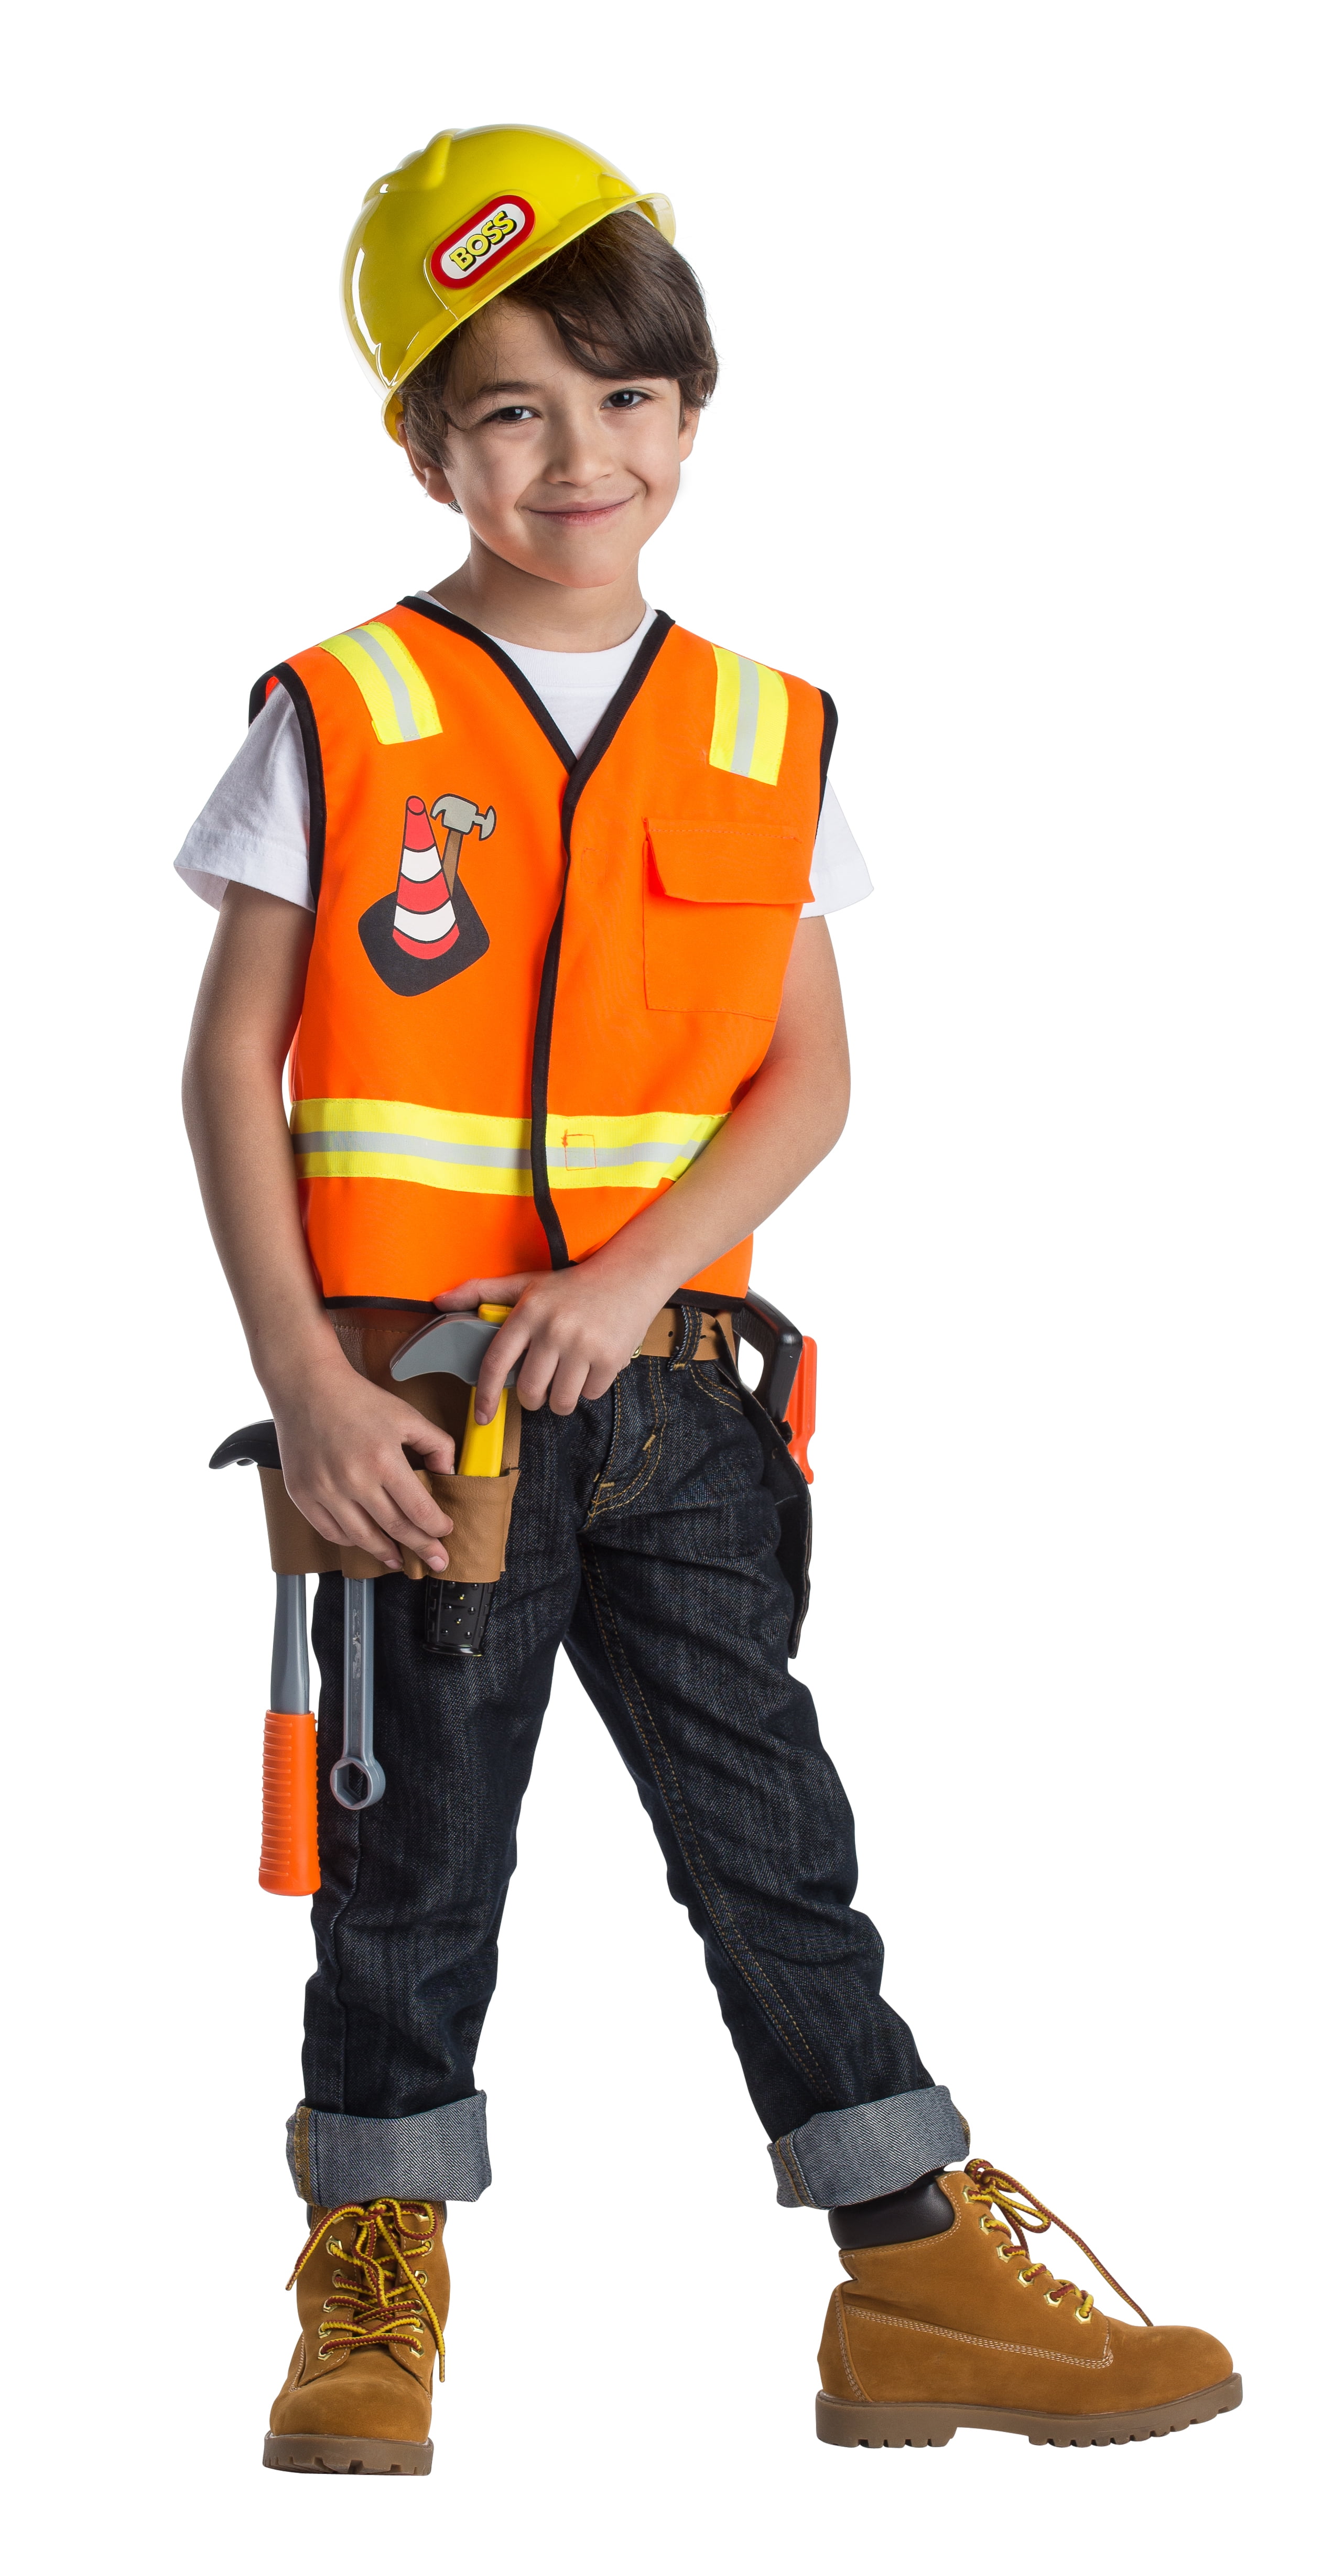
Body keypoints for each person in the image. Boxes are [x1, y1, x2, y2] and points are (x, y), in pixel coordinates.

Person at [180, 123, 1239, 2473]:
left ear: (692, 409)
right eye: (512, 409)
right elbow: (228, 1062)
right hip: (419, 1418)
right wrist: (304, 1386)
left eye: (628, 397)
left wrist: (637, 1269)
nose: (582, 455)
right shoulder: (343, 709)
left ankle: (911, 2270)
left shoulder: (765, 727)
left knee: (772, 1838)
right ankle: (371, 2281)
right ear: (425, 446)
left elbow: (807, 1077)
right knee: (412, 1865)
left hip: (679, 1410)